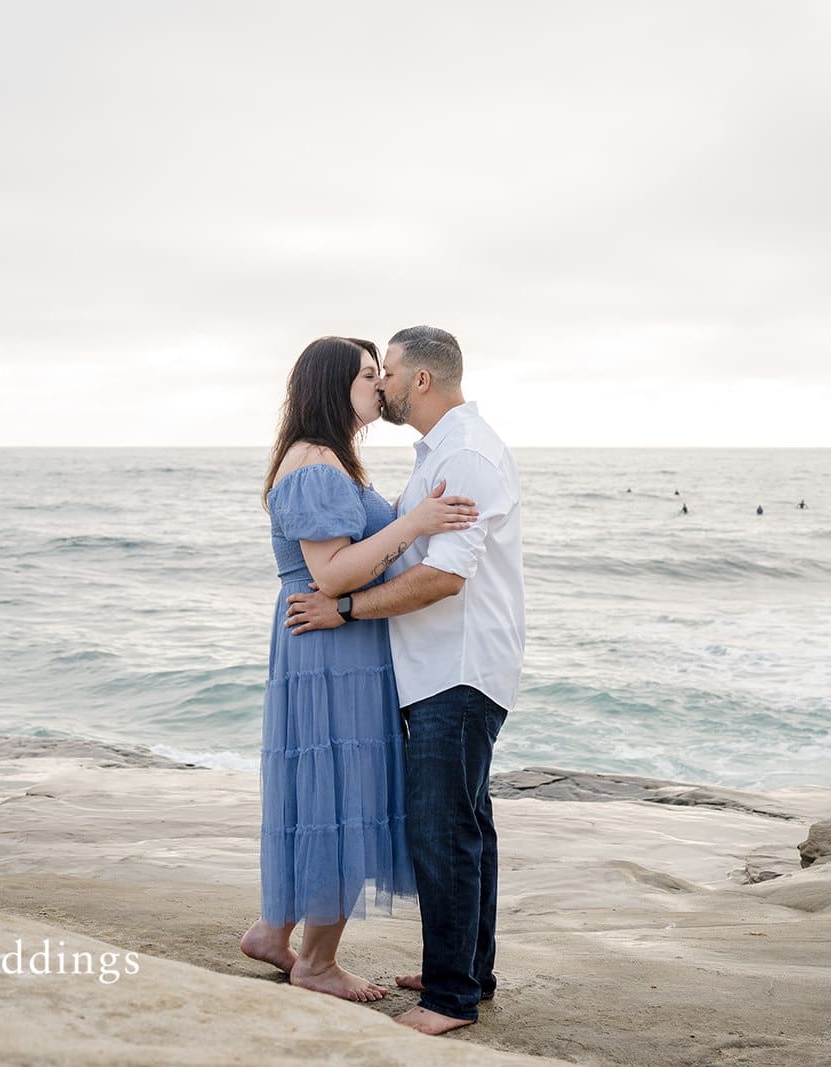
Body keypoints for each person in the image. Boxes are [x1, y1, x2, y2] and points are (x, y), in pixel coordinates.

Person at [285, 326, 525, 1036]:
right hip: (441, 667)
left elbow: (445, 576)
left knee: (443, 830)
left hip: (457, 667)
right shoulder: (441, 453)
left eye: (386, 370)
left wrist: (346, 607)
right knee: (467, 823)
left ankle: (449, 998)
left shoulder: (468, 455)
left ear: (420, 379)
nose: (381, 383)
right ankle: (467, 969)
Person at [239, 336, 479, 1003]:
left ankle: (273, 930)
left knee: (323, 789)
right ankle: (315, 961)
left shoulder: (328, 459)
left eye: (382, 373)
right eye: (369, 375)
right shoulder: (315, 464)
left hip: (333, 645)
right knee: (342, 795)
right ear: (332, 385)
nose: (380, 384)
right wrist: (419, 521)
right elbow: (334, 571)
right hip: (329, 650)